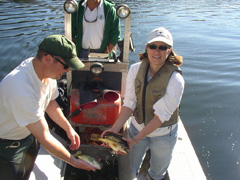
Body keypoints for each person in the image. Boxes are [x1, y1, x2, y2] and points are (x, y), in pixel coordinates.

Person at [0, 34, 98, 180]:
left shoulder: (44, 73)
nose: (67, 71)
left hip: (29, 135)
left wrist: (68, 128)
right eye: (66, 66)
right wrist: (74, 162)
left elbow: (51, 104)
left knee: (27, 172)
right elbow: (45, 137)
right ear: (48, 59)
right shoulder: (20, 89)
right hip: (8, 146)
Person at [102, 27, 185, 180]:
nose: (157, 51)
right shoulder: (135, 70)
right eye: (153, 46)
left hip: (164, 134)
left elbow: (161, 117)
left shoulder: (176, 80)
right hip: (136, 127)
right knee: (130, 169)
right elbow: (129, 103)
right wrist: (114, 129)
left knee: (157, 173)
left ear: (169, 50)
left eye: (163, 47)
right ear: (147, 48)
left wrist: (135, 140)